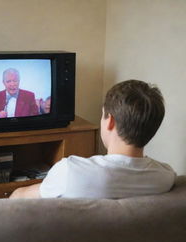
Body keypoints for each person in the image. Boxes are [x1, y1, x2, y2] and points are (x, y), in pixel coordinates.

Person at [9, 79, 176, 199]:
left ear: (110, 121)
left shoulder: (70, 171)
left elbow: (19, 199)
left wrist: (16, 193)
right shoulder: (166, 177)